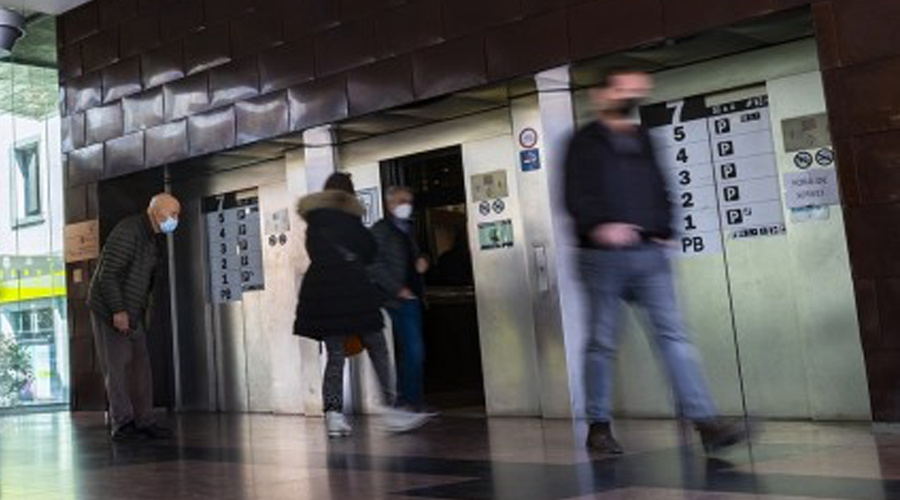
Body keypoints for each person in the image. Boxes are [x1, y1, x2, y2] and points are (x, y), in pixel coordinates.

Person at [563, 68, 748, 454]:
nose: (631, 94)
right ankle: (598, 427)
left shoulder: (643, 139)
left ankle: (706, 424)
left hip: (650, 255)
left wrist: (666, 228)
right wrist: (599, 226)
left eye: (636, 88)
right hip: (602, 258)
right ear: (601, 95)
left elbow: (662, 186)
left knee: (674, 337)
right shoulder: (583, 142)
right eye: (623, 87)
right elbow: (573, 196)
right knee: (601, 343)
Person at [293, 173, 431, 437]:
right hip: (354, 292)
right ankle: (392, 408)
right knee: (377, 347)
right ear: (349, 194)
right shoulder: (350, 218)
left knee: (334, 357)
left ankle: (334, 416)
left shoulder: (314, 222)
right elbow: (369, 251)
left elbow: (316, 253)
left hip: (323, 293)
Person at [88, 193, 180, 441]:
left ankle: (144, 420)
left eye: (176, 214)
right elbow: (107, 275)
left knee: (141, 366)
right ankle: (123, 423)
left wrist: (136, 313)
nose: (175, 219)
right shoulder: (128, 231)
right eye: (172, 214)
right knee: (117, 366)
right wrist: (118, 310)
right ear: (156, 213)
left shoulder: (151, 237)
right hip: (109, 308)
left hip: (133, 311)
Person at [370, 187, 430, 411]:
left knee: (413, 349)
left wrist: (423, 259)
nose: (407, 204)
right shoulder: (381, 230)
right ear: (390, 204)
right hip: (396, 299)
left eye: (409, 201)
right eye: (402, 200)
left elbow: (418, 254)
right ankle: (408, 400)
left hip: (414, 297)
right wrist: (397, 289)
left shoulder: (409, 229)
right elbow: (373, 264)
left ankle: (408, 398)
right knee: (414, 349)